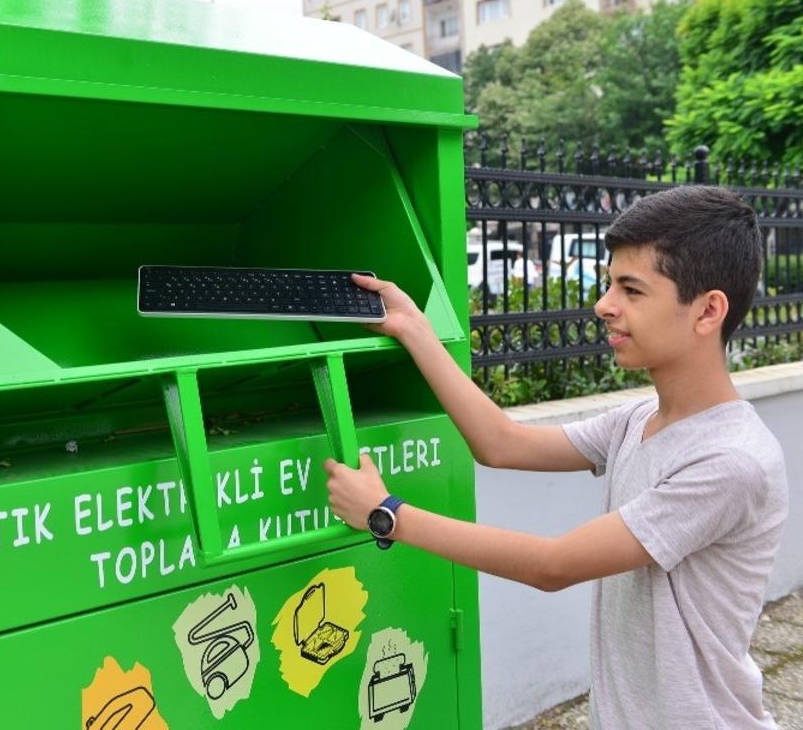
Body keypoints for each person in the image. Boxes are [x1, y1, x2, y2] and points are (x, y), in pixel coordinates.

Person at [325, 185, 788, 729]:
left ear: (708, 310)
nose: (604, 306)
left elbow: (554, 565)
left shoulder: (729, 462)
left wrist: (388, 514)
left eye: (631, 290)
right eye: (609, 283)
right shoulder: (638, 420)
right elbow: (501, 443)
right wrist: (413, 328)